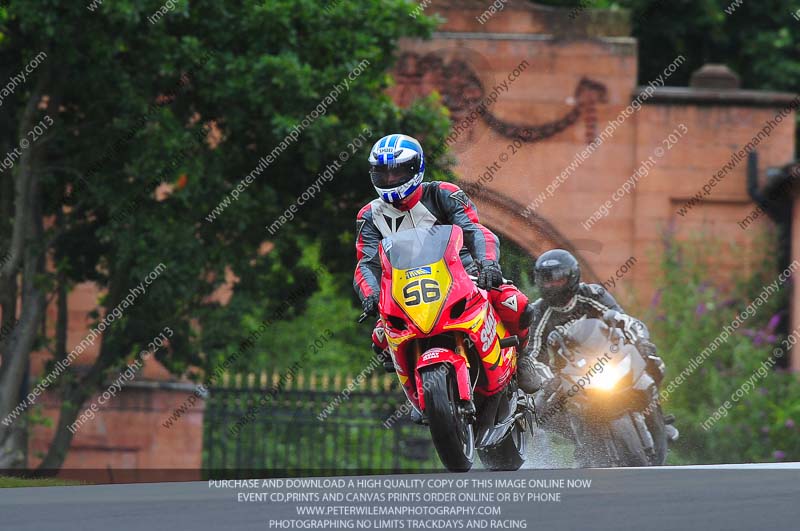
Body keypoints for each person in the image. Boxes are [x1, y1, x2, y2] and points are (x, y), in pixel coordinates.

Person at [354, 133, 534, 373]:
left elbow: (476, 232)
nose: (390, 178)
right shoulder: (368, 215)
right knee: (380, 337)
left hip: (463, 274)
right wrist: (371, 295)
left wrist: (488, 264)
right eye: (383, 172)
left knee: (516, 304)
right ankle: (417, 394)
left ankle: (522, 359)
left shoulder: (444, 194)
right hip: (405, 290)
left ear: (415, 168)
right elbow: (367, 263)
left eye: (397, 172)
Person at [516, 249, 666, 395]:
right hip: (568, 382)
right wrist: (548, 381)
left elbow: (623, 319)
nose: (552, 285)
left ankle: (655, 414)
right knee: (542, 407)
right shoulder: (537, 313)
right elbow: (531, 357)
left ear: (572, 276)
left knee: (650, 368)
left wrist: (642, 342)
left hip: (607, 363)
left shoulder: (592, 294)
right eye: (546, 280)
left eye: (558, 279)